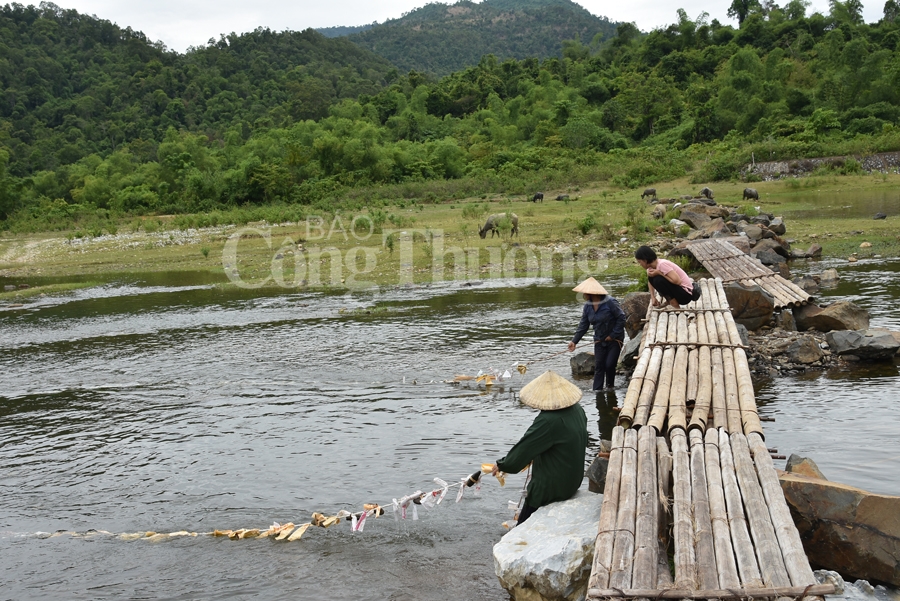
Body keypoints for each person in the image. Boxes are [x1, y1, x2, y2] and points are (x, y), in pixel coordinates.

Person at [489, 370, 587, 525]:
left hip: (553, 488)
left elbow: (523, 451)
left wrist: (502, 464)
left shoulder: (548, 421)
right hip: (573, 481)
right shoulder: (577, 410)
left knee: (522, 526)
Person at [566, 277, 626, 391]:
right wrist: (574, 341)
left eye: (585, 292)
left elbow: (622, 318)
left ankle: (610, 388)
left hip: (615, 339)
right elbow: (583, 325)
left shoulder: (610, 302)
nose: (583, 295)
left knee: (609, 365)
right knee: (599, 367)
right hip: (599, 340)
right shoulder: (588, 306)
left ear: (591, 293)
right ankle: (597, 391)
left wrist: (612, 335)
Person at [634, 245, 700, 308]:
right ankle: (669, 301)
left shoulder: (662, 264)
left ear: (645, 260)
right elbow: (650, 281)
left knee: (658, 280)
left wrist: (660, 273)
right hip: (679, 292)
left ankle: (674, 305)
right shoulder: (651, 268)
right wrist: (653, 297)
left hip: (686, 295)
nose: (640, 264)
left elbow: (678, 281)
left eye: (640, 262)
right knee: (652, 277)